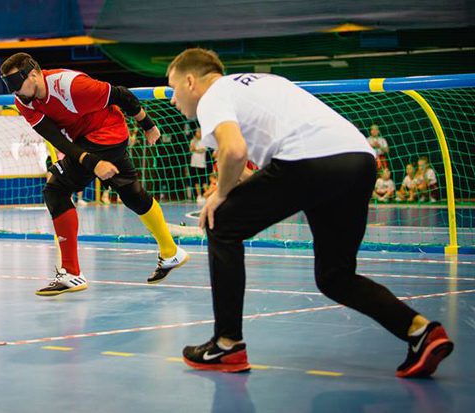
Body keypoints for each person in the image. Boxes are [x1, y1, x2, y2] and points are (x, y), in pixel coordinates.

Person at [167, 48, 452, 378]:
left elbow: (234, 151)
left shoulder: (212, 96)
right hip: (357, 160)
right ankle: (421, 332)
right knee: (335, 277)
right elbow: (260, 175)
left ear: (191, 81)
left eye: (173, 88)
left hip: (308, 160)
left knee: (221, 222)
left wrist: (219, 195)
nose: (173, 99)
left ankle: (227, 344)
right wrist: (235, 188)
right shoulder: (262, 83)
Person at [0, 52, 189, 295]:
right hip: (86, 141)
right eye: (9, 86)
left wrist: (148, 125)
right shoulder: (23, 101)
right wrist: (90, 161)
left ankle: (72, 273)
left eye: (16, 84)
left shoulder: (72, 86)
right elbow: (55, 137)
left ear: (34, 74)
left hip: (108, 133)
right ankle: (170, 251)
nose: (14, 91)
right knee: (132, 194)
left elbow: (121, 94)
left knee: (55, 190)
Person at [189, 127, 208, 203]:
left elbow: (203, 150)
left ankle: (206, 196)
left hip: (202, 164)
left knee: (203, 181)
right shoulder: (193, 141)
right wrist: (194, 143)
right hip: (194, 164)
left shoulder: (204, 141)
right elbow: (191, 149)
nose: (198, 133)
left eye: (199, 132)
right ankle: (199, 196)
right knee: (196, 181)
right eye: (197, 132)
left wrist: (196, 150)